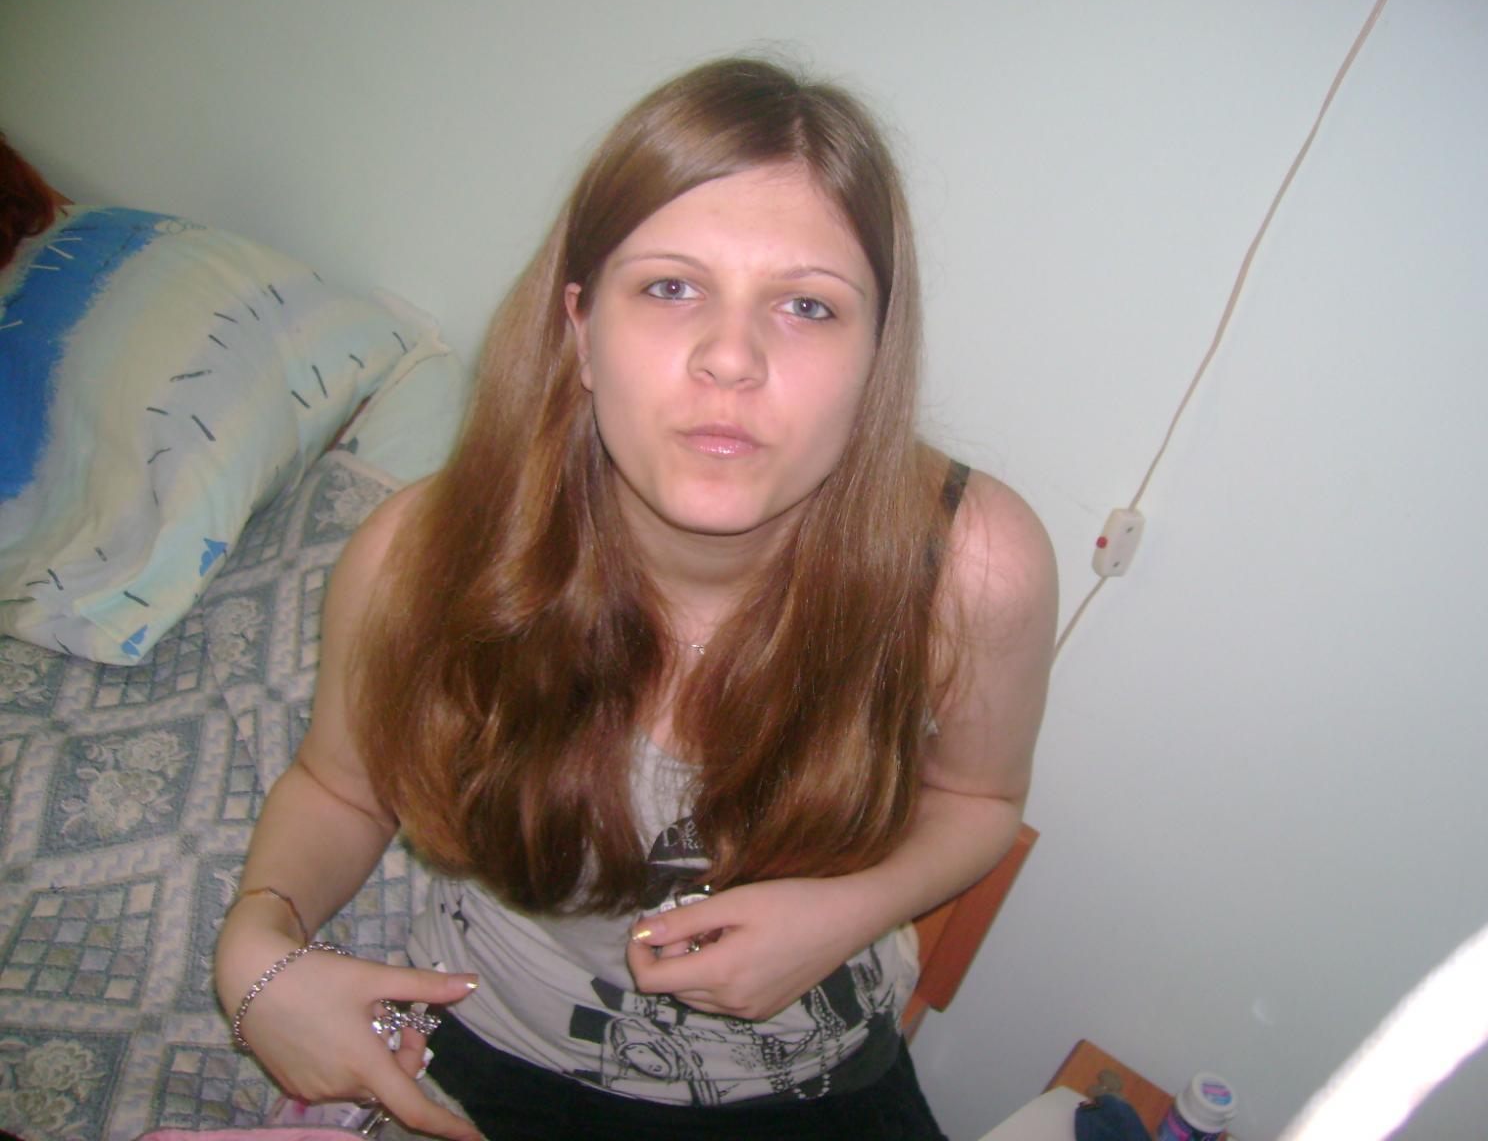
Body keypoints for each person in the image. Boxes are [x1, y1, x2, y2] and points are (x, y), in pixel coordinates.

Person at [214, 56, 1057, 1141]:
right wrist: (256, 946)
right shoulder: (414, 560)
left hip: (815, 1081)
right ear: (579, 328)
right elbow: (339, 790)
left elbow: (980, 802)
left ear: (875, 359)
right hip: (488, 1053)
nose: (730, 358)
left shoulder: (969, 567)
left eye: (807, 305)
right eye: (669, 288)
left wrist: (845, 913)